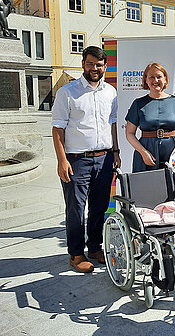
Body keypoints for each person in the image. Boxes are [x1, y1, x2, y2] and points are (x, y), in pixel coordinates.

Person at [52, 46, 121, 273]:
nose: (94, 68)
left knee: (99, 207)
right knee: (75, 209)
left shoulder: (110, 92)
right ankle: (76, 253)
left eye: (99, 65)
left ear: (105, 67)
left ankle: (94, 247)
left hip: (104, 158)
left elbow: (112, 125)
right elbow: (58, 129)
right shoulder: (67, 92)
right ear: (83, 64)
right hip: (77, 160)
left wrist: (116, 152)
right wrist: (62, 161)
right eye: (90, 64)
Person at [125, 63, 175, 177]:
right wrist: (143, 153)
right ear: (146, 80)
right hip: (146, 152)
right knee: (147, 189)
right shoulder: (138, 103)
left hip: (172, 153)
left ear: (165, 79)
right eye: (151, 77)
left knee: (173, 190)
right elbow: (129, 133)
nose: (155, 80)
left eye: (159, 76)